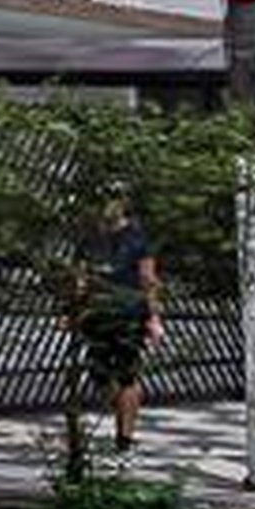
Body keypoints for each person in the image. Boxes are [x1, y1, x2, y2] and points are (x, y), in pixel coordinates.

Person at [82, 188, 164, 450]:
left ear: (123, 203)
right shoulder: (92, 240)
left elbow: (148, 281)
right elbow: (81, 279)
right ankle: (122, 418)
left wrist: (153, 318)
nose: (107, 205)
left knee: (127, 374)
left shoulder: (137, 240)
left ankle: (124, 436)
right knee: (101, 375)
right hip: (98, 313)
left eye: (113, 199)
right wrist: (72, 311)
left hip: (129, 314)